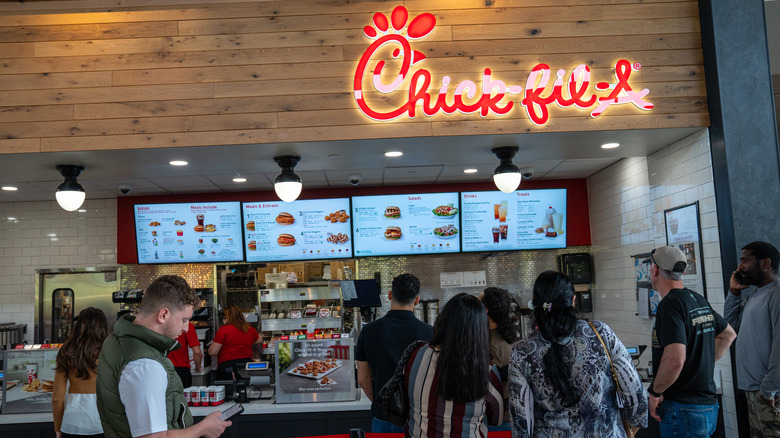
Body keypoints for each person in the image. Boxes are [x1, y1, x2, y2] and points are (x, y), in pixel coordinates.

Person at [509, 270, 648, 437]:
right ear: (573, 300)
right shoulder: (601, 334)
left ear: (535, 303)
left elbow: (521, 423)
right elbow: (637, 398)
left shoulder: (522, 352)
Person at [96, 275, 229, 438]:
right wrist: (203, 428)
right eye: (184, 320)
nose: (187, 328)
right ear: (163, 315)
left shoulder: (117, 340)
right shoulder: (145, 366)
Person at [646, 246, 736, 437]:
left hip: (682, 409)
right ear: (683, 272)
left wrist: (655, 393)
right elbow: (728, 334)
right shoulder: (697, 299)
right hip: (707, 407)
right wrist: (698, 363)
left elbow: (675, 359)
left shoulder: (669, 305)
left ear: (654, 270)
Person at [404, 293, 503, 436]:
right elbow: (497, 418)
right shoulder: (486, 371)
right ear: (480, 331)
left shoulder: (415, 355)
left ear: (442, 320)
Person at [355, 273, 433, 433]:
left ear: (390, 295)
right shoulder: (431, 333)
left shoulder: (368, 331)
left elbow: (362, 379)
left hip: (385, 419)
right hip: (420, 418)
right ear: (417, 300)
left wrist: (383, 403)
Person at [724, 241, 780, 437]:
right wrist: (734, 292)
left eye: (745, 260)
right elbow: (730, 323)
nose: (740, 267)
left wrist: (768, 390)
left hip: (769, 393)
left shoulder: (777, 293)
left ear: (765, 263)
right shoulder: (757, 294)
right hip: (754, 390)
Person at [53, 307, 109, 438]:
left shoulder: (66, 351)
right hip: (103, 423)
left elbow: (57, 397)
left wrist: (57, 427)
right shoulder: (109, 350)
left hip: (72, 423)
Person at [479, 286, 518, 432]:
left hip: (498, 421)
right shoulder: (505, 336)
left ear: (486, 310)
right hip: (504, 417)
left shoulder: (492, 345)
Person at [208, 305, 260, 381]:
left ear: (226, 318)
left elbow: (212, 352)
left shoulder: (223, 330)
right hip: (246, 367)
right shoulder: (249, 329)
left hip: (228, 368)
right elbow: (259, 340)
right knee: (247, 390)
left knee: (227, 391)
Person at [168, 322, 203, 389]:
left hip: (162, 369)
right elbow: (197, 352)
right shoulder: (186, 325)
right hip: (181, 371)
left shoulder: (160, 324)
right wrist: (198, 367)